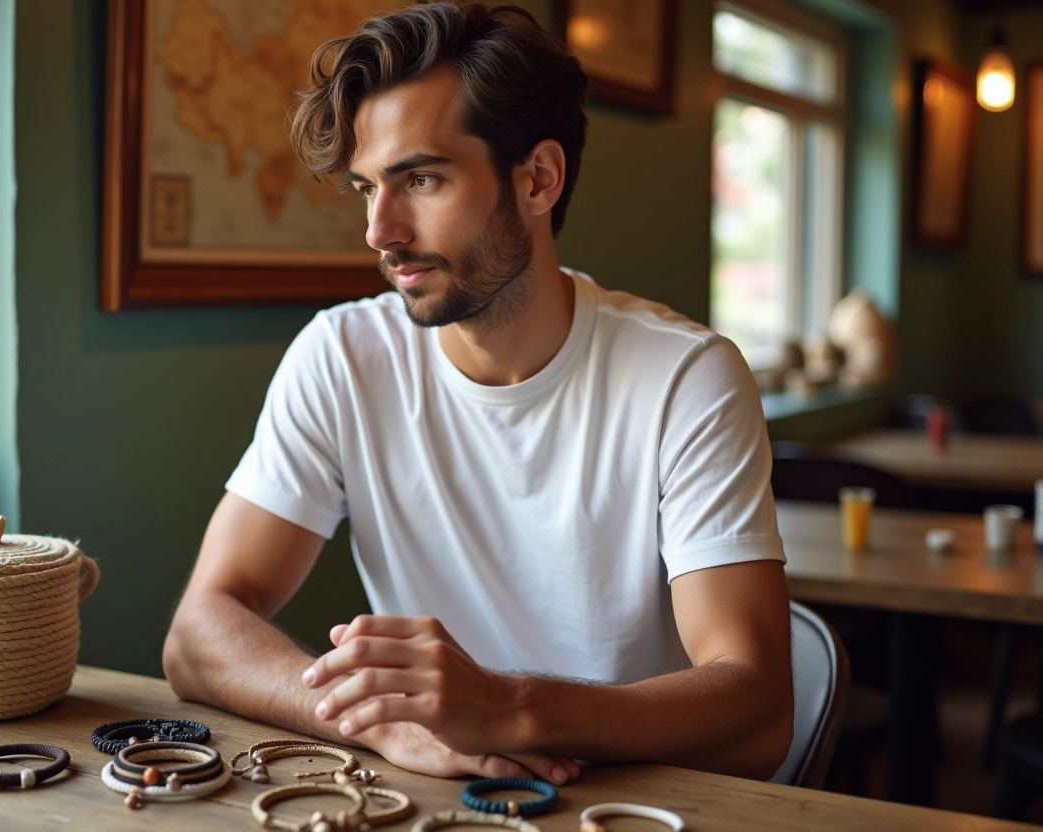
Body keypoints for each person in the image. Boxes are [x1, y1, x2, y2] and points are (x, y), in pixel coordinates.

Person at [163, 1, 793, 785]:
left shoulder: (686, 377)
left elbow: (757, 711)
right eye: (366, 188)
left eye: (420, 179)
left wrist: (514, 709)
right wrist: (380, 722)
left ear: (538, 180)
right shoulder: (343, 357)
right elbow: (197, 635)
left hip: (633, 803)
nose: (380, 231)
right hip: (432, 798)